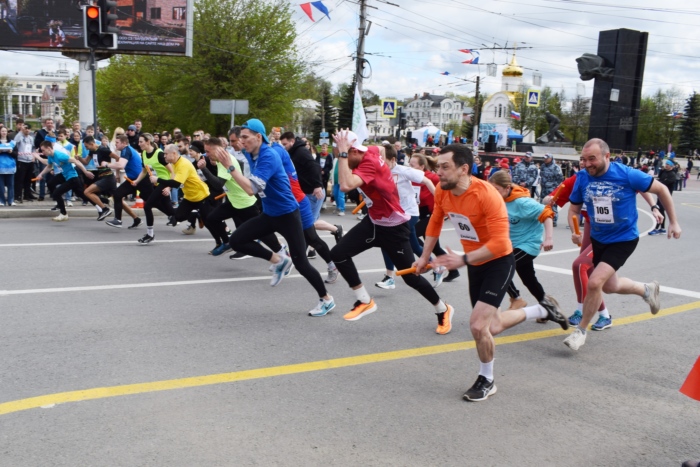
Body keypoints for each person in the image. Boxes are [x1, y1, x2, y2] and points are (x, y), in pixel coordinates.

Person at [414, 143, 568, 402]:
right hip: (475, 263)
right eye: (437, 166)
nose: (438, 172)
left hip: (498, 261)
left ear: (464, 169)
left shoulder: (486, 194)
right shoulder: (442, 190)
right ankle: (541, 310)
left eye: (444, 167)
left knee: (477, 325)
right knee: (491, 326)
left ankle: (487, 378)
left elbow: (499, 243)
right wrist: (424, 256)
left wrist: (461, 259)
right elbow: (435, 222)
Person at [330, 129, 454, 333]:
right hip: (374, 222)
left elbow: (345, 185)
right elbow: (379, 148)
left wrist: (342, 153)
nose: (339, 160)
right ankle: (364, 300)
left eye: (341, 155)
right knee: (338, 254)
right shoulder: (369, 151)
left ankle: (443, 309)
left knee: (410, 277)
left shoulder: (367, 163)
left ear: (352, 152)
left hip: (394, 227)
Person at [563, 138, 681, 351]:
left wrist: (673, 221)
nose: (587, 164)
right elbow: (573, 209)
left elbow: (662, 189)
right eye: (583, 159)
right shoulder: (582, 178)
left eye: (592, 159)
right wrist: (575, 231)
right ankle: (646, 290)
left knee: (594, 281)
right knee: (610, 286)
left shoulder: (626, 174)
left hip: (623, 239)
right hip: (599, 239)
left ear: (607, 157)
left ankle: (580, 331)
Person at [226, 119, 335, 316]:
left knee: (302, 263)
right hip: (270, 214)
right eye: (239, 138)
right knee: (237, 240)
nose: (241, 142)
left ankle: (326, 299)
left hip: (287, 215)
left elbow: (251, 189)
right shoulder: (251, 152)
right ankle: (278, 259)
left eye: (245, 137)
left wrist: (230, 168)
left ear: (258, 137)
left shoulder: (269, 155)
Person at [489, 171, 560, 314]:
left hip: (528, 245)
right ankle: (548, 307)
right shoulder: (499, 200)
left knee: (498, 268)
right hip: (513, 245)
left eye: (496, 189)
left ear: (507, 188)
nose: (493, 193)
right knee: (529, 279)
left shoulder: (522, 202)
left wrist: (549, 238)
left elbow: (547, 214)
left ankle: (516, 299)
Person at [130, 133, 175, 244]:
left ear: (148, 142)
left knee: (147, 206)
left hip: (164, 182)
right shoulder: (144, 154)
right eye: (139, 142)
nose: (139, 144)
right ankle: (194, 214)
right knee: (171, 212)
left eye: (141, 142)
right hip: (156, 183)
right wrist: (136, 181)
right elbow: (144, 171)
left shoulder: (159, 154)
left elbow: (173, 171)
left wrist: (169, 187)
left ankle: (150, 235)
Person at [34, 141, 91, 222]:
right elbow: (49, 166)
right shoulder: (51, 156)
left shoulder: (60, 155)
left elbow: (76, 161)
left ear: (49, 148)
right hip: (65, 176)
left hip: (72, 177)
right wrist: (40, 174)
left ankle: (63, 214)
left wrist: (85, 172)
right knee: (82, 194)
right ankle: (104, 203)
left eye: (43, 150)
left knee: (58, 193)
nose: (42, 152)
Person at [104, 135, 147, 229]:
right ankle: (121, 220)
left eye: (117, 142)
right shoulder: (126, 150)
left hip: (141, 180)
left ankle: (173, 215)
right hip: (133, 180)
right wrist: (117, 175)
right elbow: (120, 162)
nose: (115, 144)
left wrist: (107, 164)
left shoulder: (126, 150)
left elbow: (120, 164)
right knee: (117, 195)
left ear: (124, 143)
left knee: (155, 201)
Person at [649, 159, 676, 236]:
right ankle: (662, 228)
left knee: (660, 211)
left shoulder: (672, 174)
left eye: (668, 164)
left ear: (671, 166)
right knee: (660, 210)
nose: (666, 165)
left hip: (666, 196)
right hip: (660, 194)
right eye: (666, 164)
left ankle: (657, 228)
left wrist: (658, 183)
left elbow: (664, 183)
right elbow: (660, 180)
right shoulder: (663, 172)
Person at [539, 154, 564, 226]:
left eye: (547, 158)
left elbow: (560, 178)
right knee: (542, 204)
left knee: (552, 205)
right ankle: (543, 218)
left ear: (551, 158)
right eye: (544, 158)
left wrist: (553, 185)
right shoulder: (543, 166)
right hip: (543, 188)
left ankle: (554, 220)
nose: (545, 159)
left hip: (552, 189)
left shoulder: (556, 167)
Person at [0, 126, 16, 206]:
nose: (4, 133)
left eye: (5, 131)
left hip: (10, 166)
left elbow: (16, 154)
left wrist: (11, 152)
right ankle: (1, 201)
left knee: (11, 185)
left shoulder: (12, 143)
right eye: (2, 131)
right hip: (0, 167)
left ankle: (11, 200)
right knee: (1, 186)